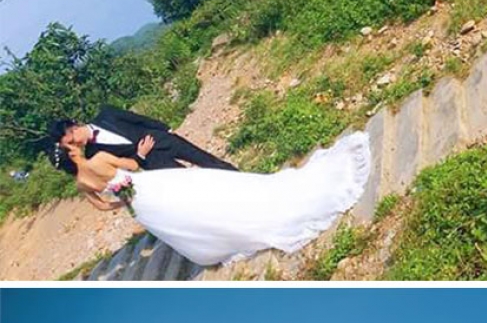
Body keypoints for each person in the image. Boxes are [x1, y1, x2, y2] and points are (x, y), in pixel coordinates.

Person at [51, 131, 371, 266]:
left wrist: (123, 200)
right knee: (203, 194)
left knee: (186, 220)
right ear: (70, 152)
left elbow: (105, 206)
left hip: (137, 206)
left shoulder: (81, 183)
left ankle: (222, 239)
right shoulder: (99, 159)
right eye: (70, 146)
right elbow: (133, 165)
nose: (74, 145)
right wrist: (134, 166)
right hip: (146, 188)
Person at [48, 105, 238, 172]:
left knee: (206, 160)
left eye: (72, 140)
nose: (76, 144)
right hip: (151, 162)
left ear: (72, 127)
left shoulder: (106, 114)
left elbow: (137, 119)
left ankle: (241, 180)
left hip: (162, 140)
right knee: (188, 181)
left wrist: (166, 129)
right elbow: (124, 167)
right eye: (71, 146)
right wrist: (140, 154)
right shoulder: (93, 153)